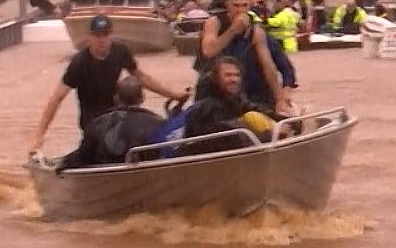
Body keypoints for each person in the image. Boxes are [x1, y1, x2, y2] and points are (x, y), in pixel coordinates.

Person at [28, 14, 188, 153]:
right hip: (92, 125)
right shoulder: (79, 63)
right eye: (98, 35)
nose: (102, 40)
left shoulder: (121, 51)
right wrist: (38, 135)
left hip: (117, 121)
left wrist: (174, 94)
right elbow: (56, 99)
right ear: (90, 37)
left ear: (111, 35)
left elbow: (142, 77)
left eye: (105, 35)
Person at [195, 0, 290, 114]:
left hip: (245, 91)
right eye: (236, 6)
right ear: (227, 4)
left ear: (250, 6)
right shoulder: (214, 23)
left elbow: (269, 68)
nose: (240, 11)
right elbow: (208, 51)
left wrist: (280, 99)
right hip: (213, 90)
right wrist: (232, 30)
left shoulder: (256, 31)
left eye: (244, 6)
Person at [183, 57, 291, 154]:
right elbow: (230, 138)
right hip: (204, 163)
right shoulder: (207, 107)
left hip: (226, 158)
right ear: (216, 78)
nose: (234, 79)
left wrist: (286, 120)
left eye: (237, 75)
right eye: (228, 75)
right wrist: (272, 134)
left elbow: (253, 108)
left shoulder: (231, 98)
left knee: (253, 116)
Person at [54, 76, 165, 171]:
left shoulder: (96, 125)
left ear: (116, 98)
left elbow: (82, 157)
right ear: (142, 98)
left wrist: (63, 164)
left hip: (105, 178)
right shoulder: (159, 124)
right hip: (147, 178)